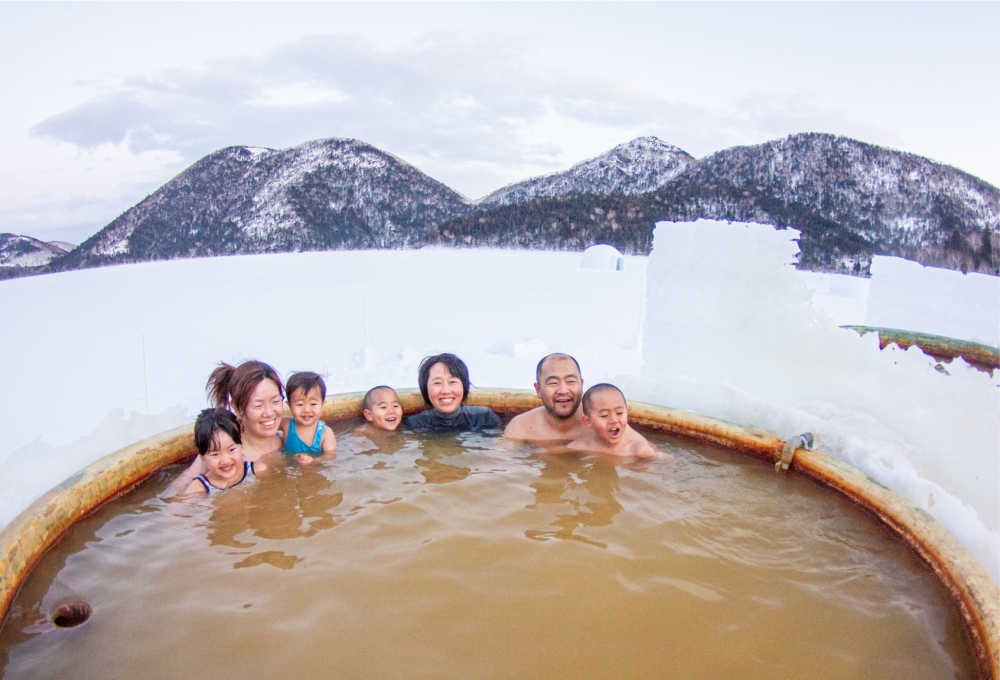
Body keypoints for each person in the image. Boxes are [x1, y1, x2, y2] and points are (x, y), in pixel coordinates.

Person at [169, 360, 286, 495]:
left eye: (276, 401)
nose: (269, 413)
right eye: (258, 405)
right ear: (236, 408)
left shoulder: (287, 435)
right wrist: (172, 507)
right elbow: (188, 477)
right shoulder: (225, 448)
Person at [504, 353, 588, 442]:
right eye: (553, 383)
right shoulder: (521, 427)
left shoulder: (598, 423)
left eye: (571, 381)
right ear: (538, 390)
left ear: (581, 385)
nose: (563, 391)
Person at [405, 353, 501, 431]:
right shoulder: (415, 424)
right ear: (425, 388)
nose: (446, 391)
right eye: (437, 383)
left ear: (464, 386)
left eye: (452, 382)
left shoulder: (484, 417)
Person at [182, 408, 267, 496]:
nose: (225, 460)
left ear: (241, 440)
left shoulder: (258, 472)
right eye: (215, 454)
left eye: (231, 450)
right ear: (201, 455)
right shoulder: (198, 490)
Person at [566, 384, 656, 458]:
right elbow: (553, 452)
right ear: (588, 422)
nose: (614, 420)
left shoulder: (639, 451)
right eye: (604, 415)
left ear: (627, 413)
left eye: (619, 413)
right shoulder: (583, 446)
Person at [281, 371, 337, 465]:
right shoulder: (286, 424)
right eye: (300, 404)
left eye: (313, 404)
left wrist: (314, 462)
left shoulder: (325, 433)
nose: (306, 409)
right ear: (289, 405)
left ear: (322, 404)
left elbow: (331, 456)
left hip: (313, 472)